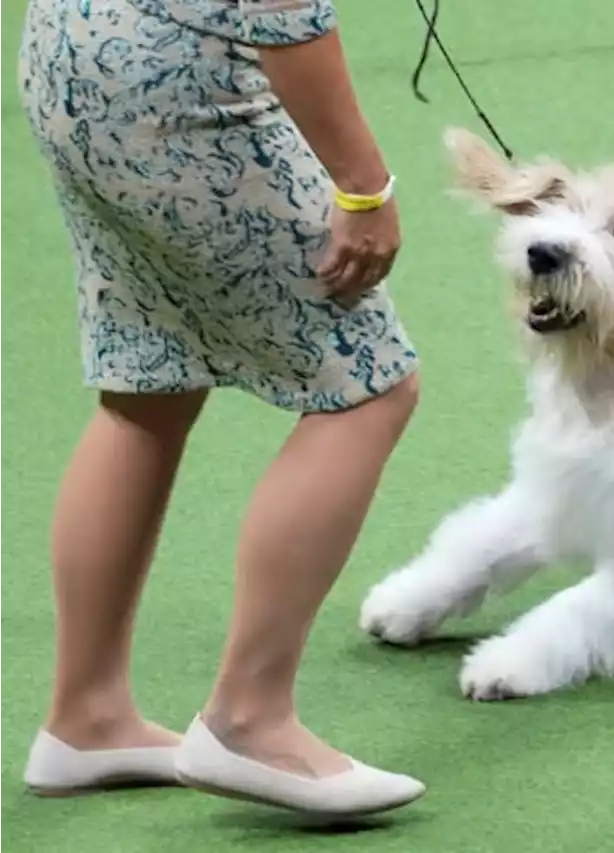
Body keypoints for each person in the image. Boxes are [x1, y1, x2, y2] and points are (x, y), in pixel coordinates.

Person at [17, 0, 426, 818]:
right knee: (367, 386)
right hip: (180, 87)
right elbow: (283, 7)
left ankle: (87, 717)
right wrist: (362, 185)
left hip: (72, 48)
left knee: (148, 383)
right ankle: (250, 718)